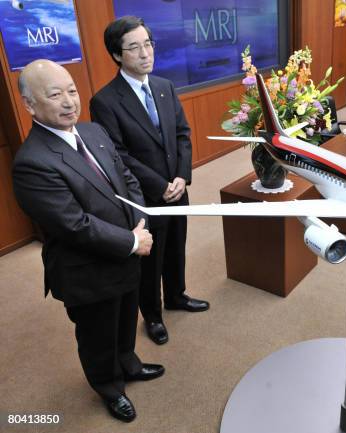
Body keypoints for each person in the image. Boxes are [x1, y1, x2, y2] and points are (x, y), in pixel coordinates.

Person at [12, 59, 163, 422]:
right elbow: (74, 225)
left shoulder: (93, 131)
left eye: (72, 91)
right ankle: (109, 388)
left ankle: (128, 363)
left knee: (127, 318)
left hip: (127, 249)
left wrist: (139, 222)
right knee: (98, 336)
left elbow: (127, 179)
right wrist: (130, 240)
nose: (69, 102)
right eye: (55, 95)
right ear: (31, 105)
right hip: (88, 270)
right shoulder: (32, 162)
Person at [90, 16, 209, 345]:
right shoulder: (105, 101)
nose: (145, 53)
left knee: (176, 248)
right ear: (117, 55)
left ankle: (177, 296)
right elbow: (118, 155)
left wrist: (182, 177)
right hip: (145, 197)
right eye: (134, 47)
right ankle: (153, 316)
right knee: (149, 260)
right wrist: (160, 185)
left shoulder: (164, 87)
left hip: (177, 188)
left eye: (148, 44)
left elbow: (182, 134)